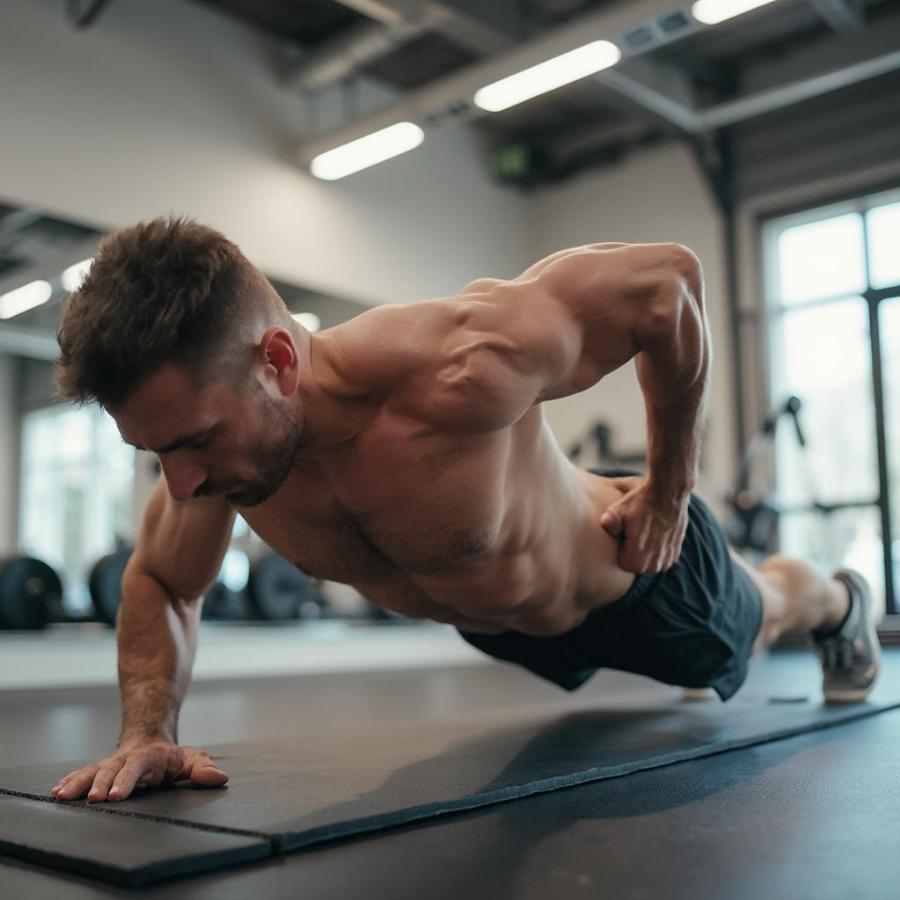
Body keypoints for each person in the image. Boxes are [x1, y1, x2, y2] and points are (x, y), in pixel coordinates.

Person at [49, 218, 880, 805]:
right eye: (157, 453)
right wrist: (144, 733)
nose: (181, 483)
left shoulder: (457, 362)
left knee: (765, 609)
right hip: (510, 629)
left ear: (276, 360)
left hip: (634, 575)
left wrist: (669, 492)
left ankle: (842, 600)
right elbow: (159, 578)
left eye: (195, 439)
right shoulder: (223, 470)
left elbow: (669, 281)